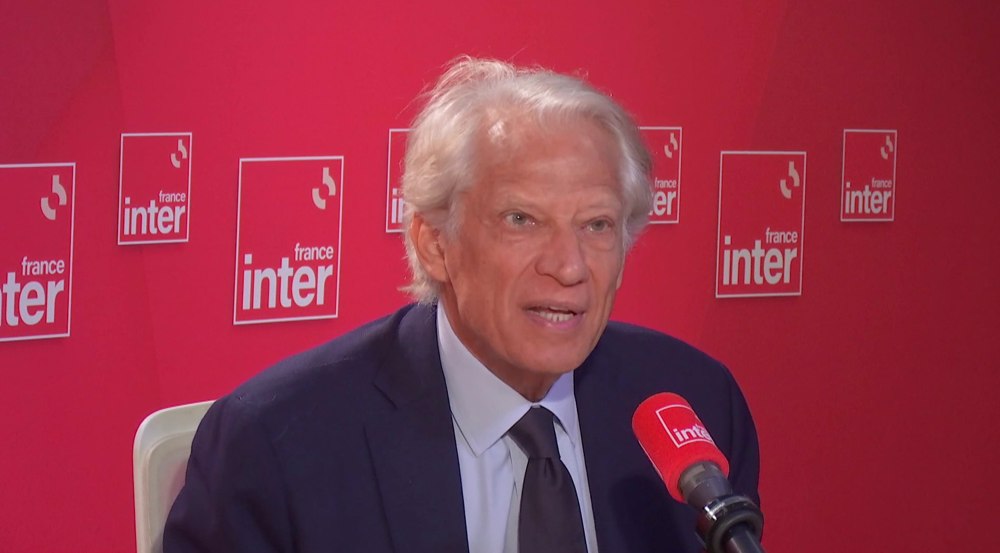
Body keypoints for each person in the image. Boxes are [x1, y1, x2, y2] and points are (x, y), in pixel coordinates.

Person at [164, 56, 759, 553]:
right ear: (435, 243)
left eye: (597, 225)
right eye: (521, 220)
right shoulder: (279, 444)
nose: (569, 265)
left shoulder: (695, 405)